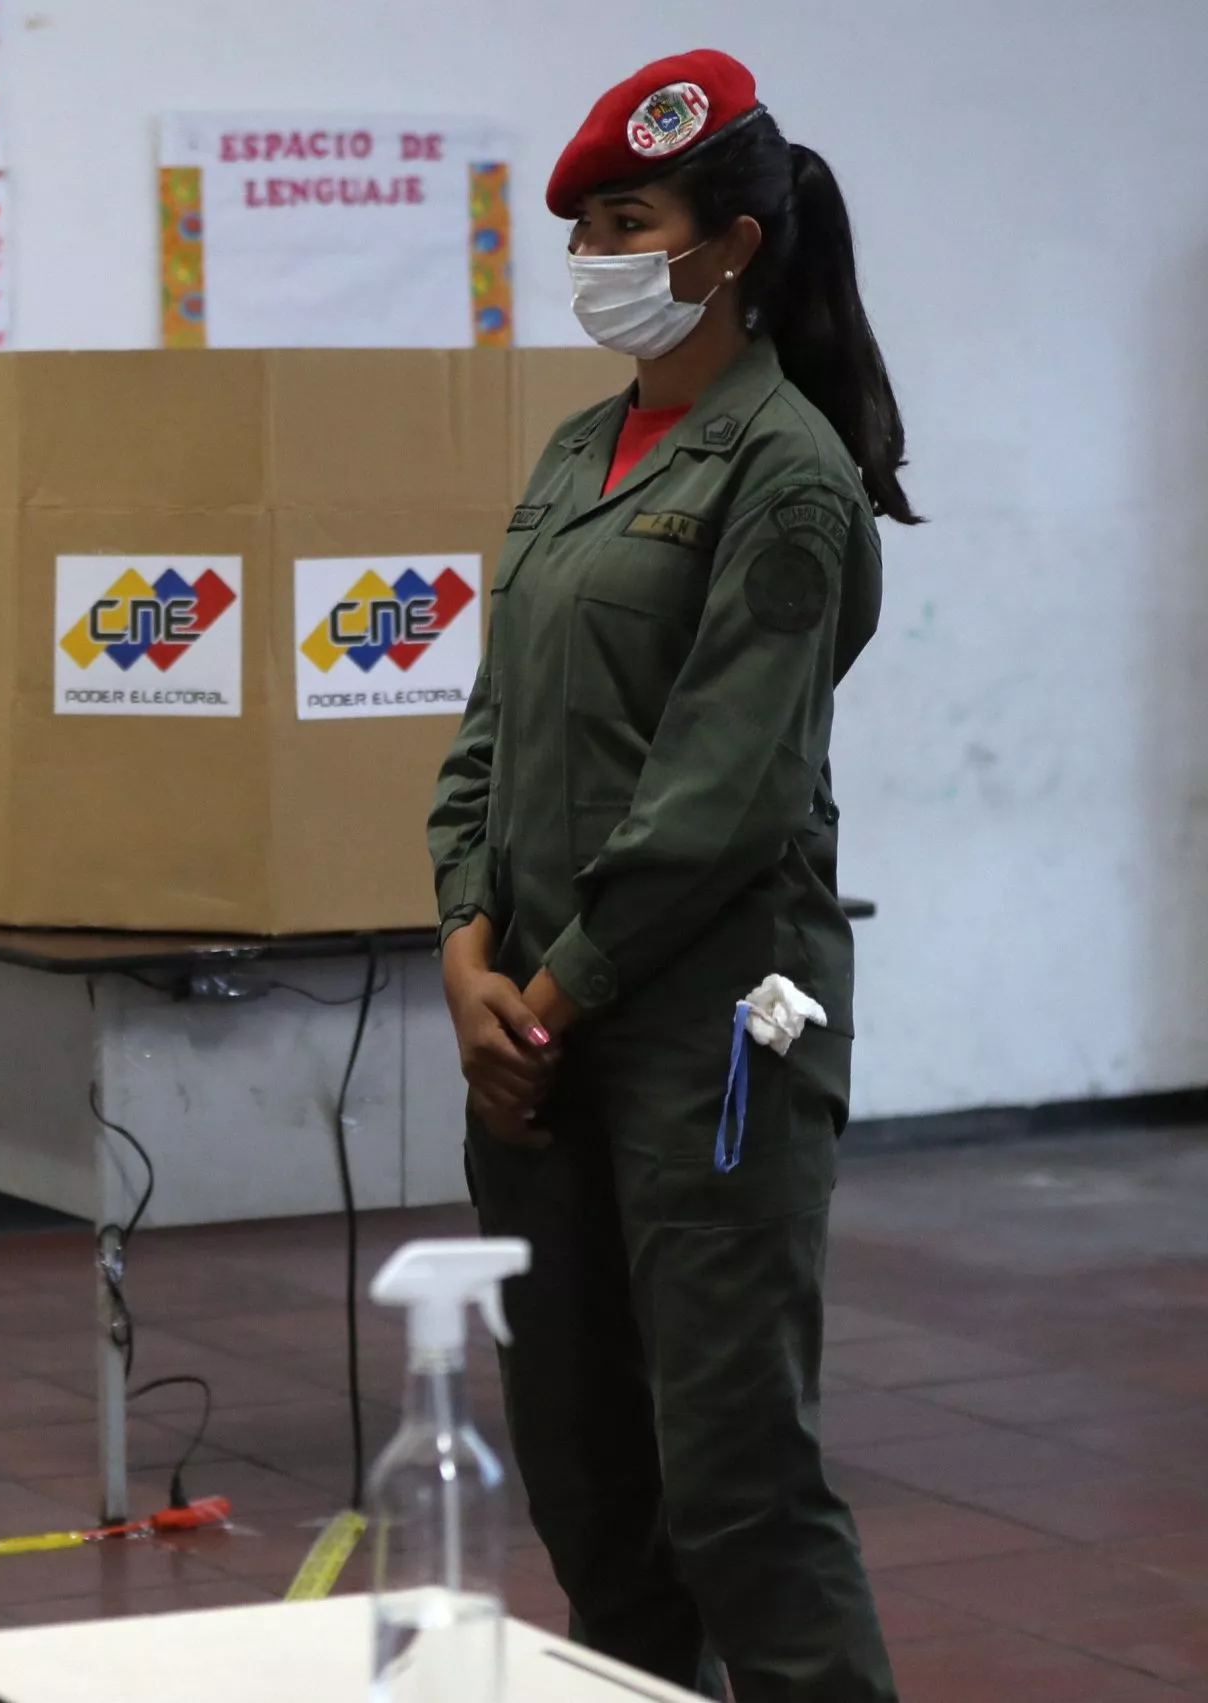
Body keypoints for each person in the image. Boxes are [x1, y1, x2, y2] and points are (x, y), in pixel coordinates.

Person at [426, 50, 915, 1703]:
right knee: (590, 1487)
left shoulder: (784, 473)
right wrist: (463, 951)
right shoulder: (581, 453)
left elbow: (721, 796)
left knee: (735, 1485)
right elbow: (489, 738)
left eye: (626, 220)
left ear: (732, 247)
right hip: (545, 1026)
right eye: (585, 227)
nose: (595, 258)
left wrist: (541, 1003)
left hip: (716, 1022)